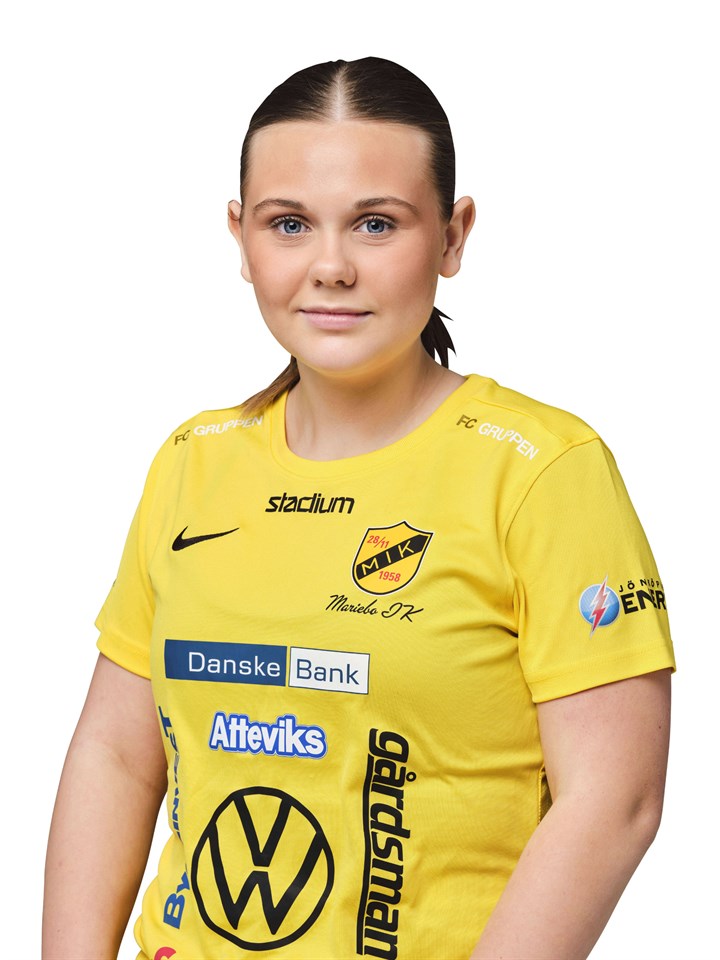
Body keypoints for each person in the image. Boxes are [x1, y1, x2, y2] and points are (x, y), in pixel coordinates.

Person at [42, 57, 675, 960]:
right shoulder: (192, 462)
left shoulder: (542, 471)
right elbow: (114, 753)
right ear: (241, 237)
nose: (331, 267)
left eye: (376, 224)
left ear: (452, 236)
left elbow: (615, 802)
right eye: (290, 224)